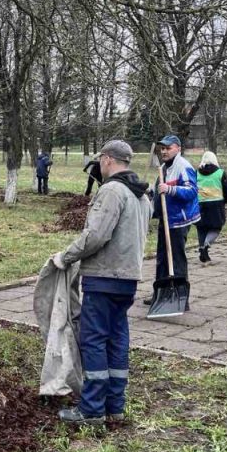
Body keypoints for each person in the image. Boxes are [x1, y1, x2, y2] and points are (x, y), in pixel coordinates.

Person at [50, 140, 152, 426]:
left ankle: (92, 409)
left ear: (107, 160)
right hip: (128, 279)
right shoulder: (141, 195)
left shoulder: (111, 191)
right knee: (117, 339)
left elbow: (95, 236)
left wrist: (65, 257)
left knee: (93, 340)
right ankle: (114, 406)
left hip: (104, 277)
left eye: (100, 161)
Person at [143, 135, 199, 306]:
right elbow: (159, 192)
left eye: (168, 148)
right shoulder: (163, 168)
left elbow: (192, 191)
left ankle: (181, 297)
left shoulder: (183, 166)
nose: (164, 151)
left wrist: (170, 189)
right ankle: (159, 294)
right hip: (165, 219)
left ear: (178, 149)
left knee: (176, 259)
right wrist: (149, 193)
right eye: (162, 148)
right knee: (162, 259)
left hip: (179, 220)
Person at [194, 151, 227, 263]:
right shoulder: (220, 173)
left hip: (200, 204)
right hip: (216, 204)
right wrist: (225, 200)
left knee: (201, 228)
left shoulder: (196, 173)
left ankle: (203, 250)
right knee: (216, 227)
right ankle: (206, 245)